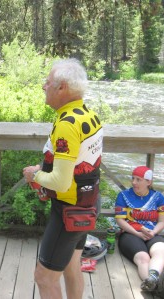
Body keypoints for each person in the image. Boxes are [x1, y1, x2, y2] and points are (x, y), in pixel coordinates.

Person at [23, 58, 103, 299]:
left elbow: (60, 182)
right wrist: (48, 167)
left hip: (69, 211)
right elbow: (79, 163)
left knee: (44, 277)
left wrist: (35, 174)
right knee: (71, 265)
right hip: (89, 202)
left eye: (47, 83)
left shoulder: (67, 123)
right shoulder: (87, 114)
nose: (43, 87)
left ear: (62, 87)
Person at [115, 166, 164, 293]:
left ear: (148, 182)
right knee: (143, 258)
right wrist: (136, 233)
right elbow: (120, 220)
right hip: (130, 233)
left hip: (152, 233)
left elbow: (162, 221)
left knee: (160, 251)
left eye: (138, 180)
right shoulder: (123, 195)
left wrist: (153, 232)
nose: (134, 182)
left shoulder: (158, 197)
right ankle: (154, 287)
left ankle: (153, 278)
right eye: (133, 179)